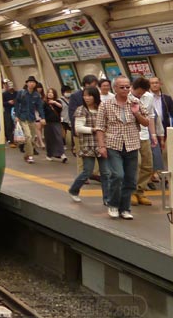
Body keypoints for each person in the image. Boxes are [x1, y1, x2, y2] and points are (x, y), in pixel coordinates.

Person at [94, 76, 149, 220]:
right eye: (122, 87)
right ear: (115, 89)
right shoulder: (106, 105)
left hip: (132, 144)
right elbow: (99, 127)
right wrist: (101, 146)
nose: (125, 89)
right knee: (118, 175)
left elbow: (146, 122)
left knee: (131, 179)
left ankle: (125, 208)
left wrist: (136, 112)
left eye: (127, 86)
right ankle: (113, 204)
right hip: (113, 144)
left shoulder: (135, 102)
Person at [68, 87, 109, 204]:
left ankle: (107, 198)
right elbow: (78, 128)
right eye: (85, 95)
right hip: (88, 144)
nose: (86, 98)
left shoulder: (102, 108)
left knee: (105, 172)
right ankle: (74, 190)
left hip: (102, 144)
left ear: (95, 96)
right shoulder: (81, 110)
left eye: (89, 95)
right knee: (88, 171)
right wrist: (93, 129)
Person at [130, 77, 158, 206]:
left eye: (143, 93)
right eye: (139, 93)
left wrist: (153, 134)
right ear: (133, 88)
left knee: (148, 164)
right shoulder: (126, 97)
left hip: (145, 134)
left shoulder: (149, 97)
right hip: (131, 135)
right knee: (136, 164)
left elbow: (151, 116)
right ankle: (131, 192)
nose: (141, 95)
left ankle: (140, 191)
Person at [14, 76, 44, 164]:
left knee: (32, 139)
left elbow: (39, 107)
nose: (31, 84)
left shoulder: (36, 95)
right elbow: (16, 104)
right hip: (22, 117)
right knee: (28, 136)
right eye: (30, 82)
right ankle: (30, 156)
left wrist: (42, 117)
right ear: (27, 83)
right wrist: (16, 116)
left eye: (33, 82)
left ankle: (26, 155)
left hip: (31, 118)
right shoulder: (21, 93)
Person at [43, 88, 66, 162]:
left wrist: (54, 102)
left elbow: (61, 107)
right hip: (47, 123)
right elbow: (42, 112)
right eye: (48, 92)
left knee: (58, 137)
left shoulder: (58, 102)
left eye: (52, 92)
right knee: (49, 139)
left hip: (56, 122)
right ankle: (49, 154)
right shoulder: (44, 103)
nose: (50, 94)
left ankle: (62, 154)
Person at [2, 81, 17, 146]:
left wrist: (15, 102)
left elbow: (20, 101)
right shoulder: (4, 94)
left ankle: (17, 139)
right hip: (8, 111)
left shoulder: (17, 93)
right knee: (9, 125)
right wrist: (8, 102)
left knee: (16, 125)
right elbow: (2, 103)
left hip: (16, 110)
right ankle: (11, 140)